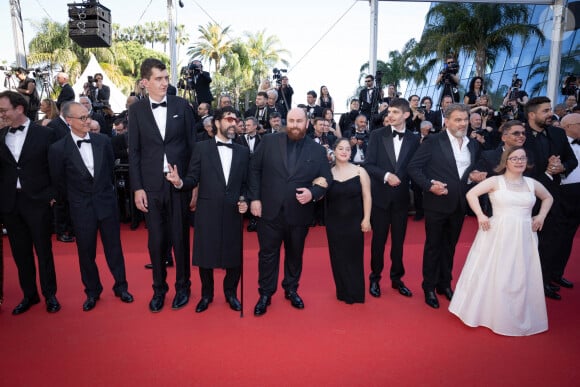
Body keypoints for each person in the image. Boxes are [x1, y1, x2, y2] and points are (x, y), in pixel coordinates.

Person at [449, 146, 553, 336]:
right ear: (506, 161)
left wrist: (541, 217)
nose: (519, 161)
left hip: (524, 235)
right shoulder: (495, 181)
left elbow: (548, 197)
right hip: (498, 233)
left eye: (522, 158)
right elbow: (471, 194)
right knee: (497, 270)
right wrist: (480, 215)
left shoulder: (531, 183)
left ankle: (517, 313)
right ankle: (489, 312)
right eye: (514, 158)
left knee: (521, 273)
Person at [48, 102, 134, 311]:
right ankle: (92, 291)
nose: (88, 121)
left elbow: (109, 172)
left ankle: (121, 286)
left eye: (88, 116)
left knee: (114, 248)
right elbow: (58, 182)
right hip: (80, 207)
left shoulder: (103, 141)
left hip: (106, 203)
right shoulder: (58, 149)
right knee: (86, 252)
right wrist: (73, 202)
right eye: (82, 118)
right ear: (69, 121)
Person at [165, 106, 250, 313]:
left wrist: (244, 200)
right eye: (229, 119)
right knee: (206, 255)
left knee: (234, 256)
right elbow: (193, 178)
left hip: (233, 211)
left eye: (236, 120)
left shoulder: (243, 151)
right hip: (207, 210)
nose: (233, 123)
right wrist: (179, 182)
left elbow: (247, 184)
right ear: (217, 123)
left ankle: (230, 293)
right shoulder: (201, 148)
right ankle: (207, 294)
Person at [248, 108, 332, 316]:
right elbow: (254, 170)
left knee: (295, 255)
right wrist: (255, 198)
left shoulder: (317, 150)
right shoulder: (268, 141)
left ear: (307, 123)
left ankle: (291, 289)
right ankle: (265, 294)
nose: (295, 125)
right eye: (291, 120)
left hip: (299, 213)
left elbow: (326, 179)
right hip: (269, 211)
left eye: (299, 121)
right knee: (267, 255)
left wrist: (312, 193)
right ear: (287, 122)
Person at [128, 58, 195, 313]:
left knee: (180, 239)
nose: (165, 82)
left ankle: (183, 287)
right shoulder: (136, 111)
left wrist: (192, 184)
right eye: (159, 78)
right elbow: (134, 152)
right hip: (151, 186)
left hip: (178, 185)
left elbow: (192, 148)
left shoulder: (181, 105)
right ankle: (159, 289)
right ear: (145, 83)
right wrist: (137, 188)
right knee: (155, 241)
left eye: (166, 77)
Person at [408, 104, 483, 309]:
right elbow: (414, 168)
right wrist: (430, 185)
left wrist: (475, 175)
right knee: (433, 246)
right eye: (458, 120)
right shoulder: (433, 141)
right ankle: (429, 287)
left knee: (450, 247)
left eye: (465, 119)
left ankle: (444, 284)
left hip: (459, 204)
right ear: (447, 121)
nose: (463, 123)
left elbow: (468, 172)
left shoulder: (472, 144)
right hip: (436, 203)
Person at [0, 90, 61, 315]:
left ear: (19, 109)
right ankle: (29, 295)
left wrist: (53, 194)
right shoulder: (1, 135)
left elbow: (55, 167)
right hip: (10, 203)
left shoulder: (45, 134)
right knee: (19, 252)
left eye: (4, 110)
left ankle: (50, 295)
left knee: (43, 250)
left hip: (37, 201)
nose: (1, 114)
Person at [364, 98, 420, 298]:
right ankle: (375, 278)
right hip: (380, 198)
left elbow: (416, 168)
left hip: (402, 200)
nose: (390, 115)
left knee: (399, 242)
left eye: (395, 112)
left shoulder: (414, 139)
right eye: (389, 112)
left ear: (406, 115)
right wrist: (387, 176)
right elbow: (368, 164)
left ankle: (397, 279)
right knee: (378, 241)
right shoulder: (377, 135)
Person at [523, 96, 578, 300]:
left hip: (552, 197)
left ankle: (543, 281)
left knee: (549, 241)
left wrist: (562, 167)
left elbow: (571, 159)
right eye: (545, 111)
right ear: (532, 114)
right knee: (526, 242)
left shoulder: (557, 133)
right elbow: (517, 166)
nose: (550, 114)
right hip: (526, 197)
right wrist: (545, 171)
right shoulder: (520, 135)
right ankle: (524, 281)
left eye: (550, 110)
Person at [325, 138, 372, 304]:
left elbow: (367, 196)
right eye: (340, 148)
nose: (344, 152)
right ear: (334, 151)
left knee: (354, 257)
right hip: (334, 223)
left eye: (347, 149)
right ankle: (343, 291)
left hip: (354, 222)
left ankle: (356, 293)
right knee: (338, 257)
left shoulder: (360, 171)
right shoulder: (328, 173)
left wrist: (366, 219)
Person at [557, 113, 580, 288]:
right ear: (568, 126)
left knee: (570, 236)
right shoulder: (557, 143)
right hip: (563, 193)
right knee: (559, 237)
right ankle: (549, 275)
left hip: (578, 193)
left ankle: (558, 273)